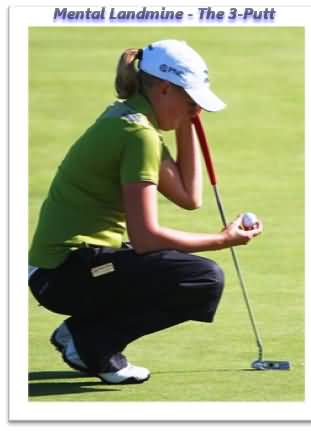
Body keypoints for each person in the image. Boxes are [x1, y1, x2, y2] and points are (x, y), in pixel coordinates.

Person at [28, 39, 263, 385]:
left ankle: (80, 333)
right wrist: (222, 240)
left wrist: (186, 121)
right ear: (165, 88)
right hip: (63, 275)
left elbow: (189, 196)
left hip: (74, 268)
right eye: (191, 100)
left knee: (185, 272)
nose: (196, 109)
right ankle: (92, 343)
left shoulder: (133, 121)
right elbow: (146, 238)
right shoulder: (138, 135)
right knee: (201, 278)